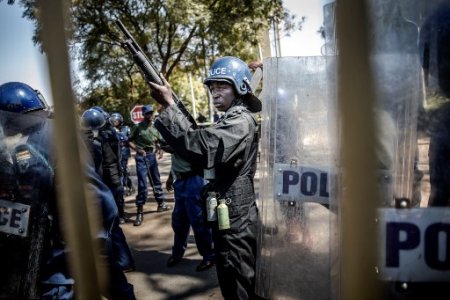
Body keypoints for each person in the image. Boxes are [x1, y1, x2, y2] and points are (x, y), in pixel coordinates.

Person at [0, 82, 136, 299]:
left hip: (72, 248)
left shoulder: (56, 140)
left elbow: (97, 201)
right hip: (35, 254)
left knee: (115, 287)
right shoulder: (11, 148)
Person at [150, 56, 262, 299]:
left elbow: (202, 147)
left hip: (236, 220)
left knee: (238, 286)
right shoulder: (231, 118)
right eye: (212, 87)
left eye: (221, 86)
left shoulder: (240, 121)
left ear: (240, 87)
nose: (215, 92)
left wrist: (169, 105)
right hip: (230, 215)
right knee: (231, 280)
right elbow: (199, 142)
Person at [81, 107, 136, 273]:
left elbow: (98, 165)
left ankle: (124, 262)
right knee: (113, 225)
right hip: (115, 182)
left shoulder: (99, 141)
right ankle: (124, 260)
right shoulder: (112, 134)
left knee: (110, 227)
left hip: (108, 185)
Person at [165, 152, 215, 272]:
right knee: (179, 221)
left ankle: (209, 256)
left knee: (198, 222)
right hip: (180, 181)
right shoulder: (174, 134)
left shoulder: (190, 133)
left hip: (194, 180)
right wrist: (171, 176)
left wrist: (175, 147)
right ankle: (177, 252)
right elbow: (175, 158)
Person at [128, 104, 171, 227]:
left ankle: (161, 204)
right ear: (143, 115)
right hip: (142, 157)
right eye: (147, 113)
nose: (150, 115)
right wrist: (137, 150)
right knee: (142, 185)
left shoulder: (155, 127)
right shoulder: (137, 127)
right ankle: (139, 211)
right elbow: (129, 141)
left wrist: (160, 149)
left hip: (152, 157)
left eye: (151, 113)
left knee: (156, 181)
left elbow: (158, 141)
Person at [110, 112, 135, 197]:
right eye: (113, 120)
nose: (115, 122)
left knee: (123, 170)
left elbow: (128, 139)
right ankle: (124, 186)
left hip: (124, 153)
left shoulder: (126, 129)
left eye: (116, 120)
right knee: (119, 170)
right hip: (115, 153)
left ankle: (128, 186)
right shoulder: (111, 130)